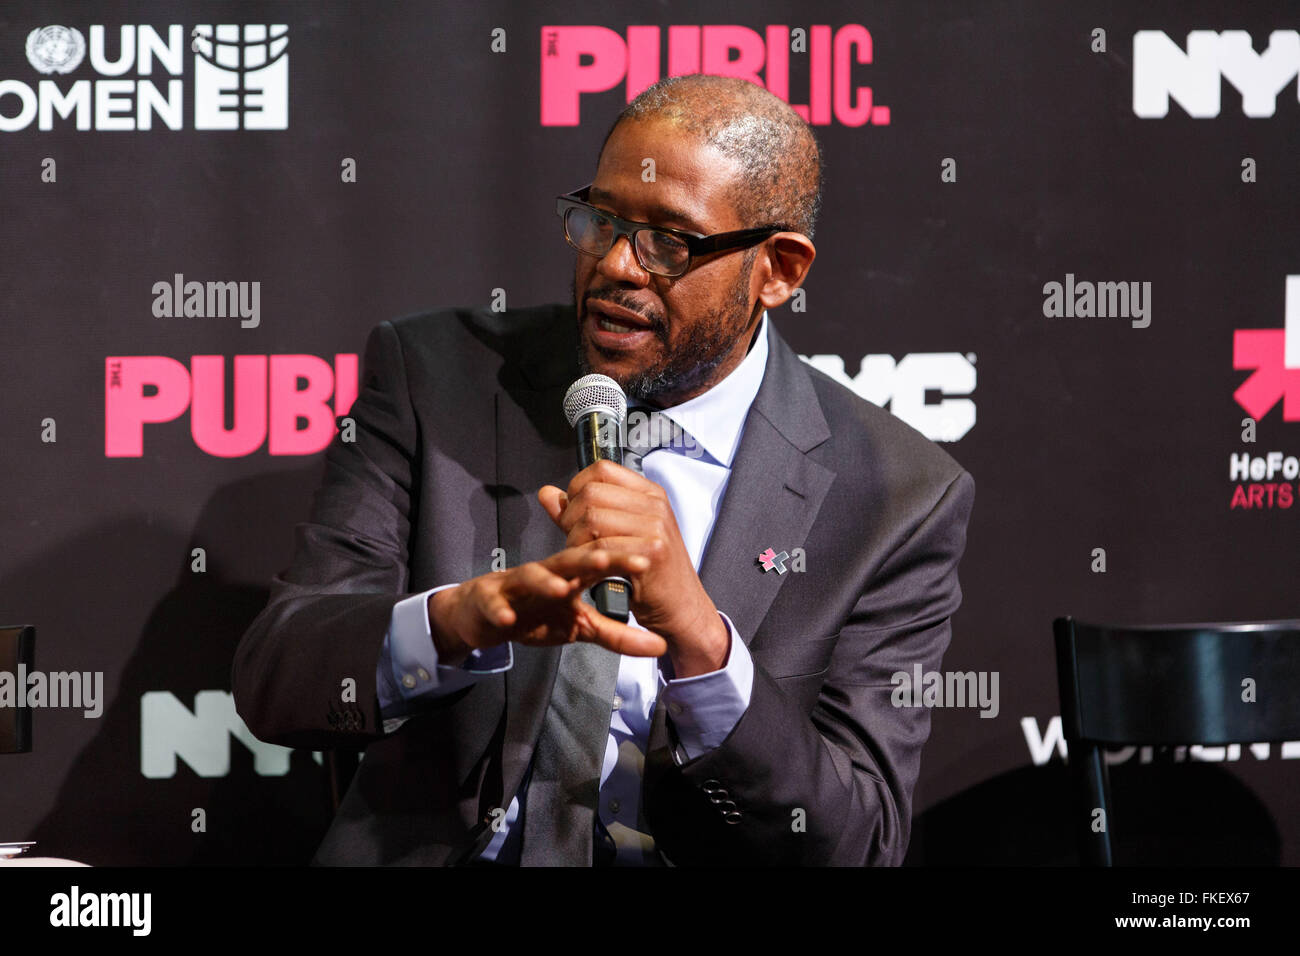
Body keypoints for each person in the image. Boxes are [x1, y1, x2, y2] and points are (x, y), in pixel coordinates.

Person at [232, 73, 974, 866]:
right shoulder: (436, 378)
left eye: (669, 241)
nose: (617, 265)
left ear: (778, 270)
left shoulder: (897, 497)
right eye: (601, 220)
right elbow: (280, 679)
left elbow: (855, 844)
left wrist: (700, 641)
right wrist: (458, 621)